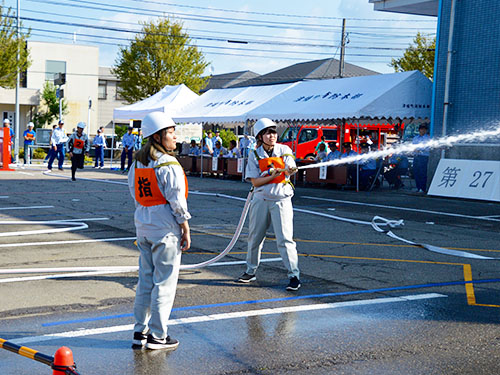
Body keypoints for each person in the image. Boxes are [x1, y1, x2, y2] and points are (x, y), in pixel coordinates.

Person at [128, 111, 190, 351]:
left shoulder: (137, 162)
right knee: (164, 283)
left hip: (143, 227)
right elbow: (177, 202)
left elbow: (135, 195)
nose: (175, 137)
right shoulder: (168, 164)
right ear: (158, 136)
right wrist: (185, 228)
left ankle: (139, 331)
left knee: (145, 281)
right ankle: (158, 336)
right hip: (165, 229)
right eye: (171, 132)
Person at [238, 118, 301, 291]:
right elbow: (255, 182)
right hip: (260, 200)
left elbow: (290, 165)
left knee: (285, 239)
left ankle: (294, 275)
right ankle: (250, 271)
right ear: (260, 136)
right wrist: (272, 175)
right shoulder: (255, 154)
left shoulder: (284, 149)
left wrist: (290, 169)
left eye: (273, 132)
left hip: (281, 200)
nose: (272, 135)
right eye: (267, 132)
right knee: (255, 237)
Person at [412, 124, 431, 194]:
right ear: (419, 130)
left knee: (422, 172)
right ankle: (418, 187)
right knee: (416, 172)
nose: (423, 130)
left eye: (424, 129)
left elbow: (428, 148)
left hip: (423, 156)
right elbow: (412, 146)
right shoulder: (415, 138)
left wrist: (420, 150)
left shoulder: (428, 138)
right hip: (416, 156)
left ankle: (422, 188)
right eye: (421, 129)